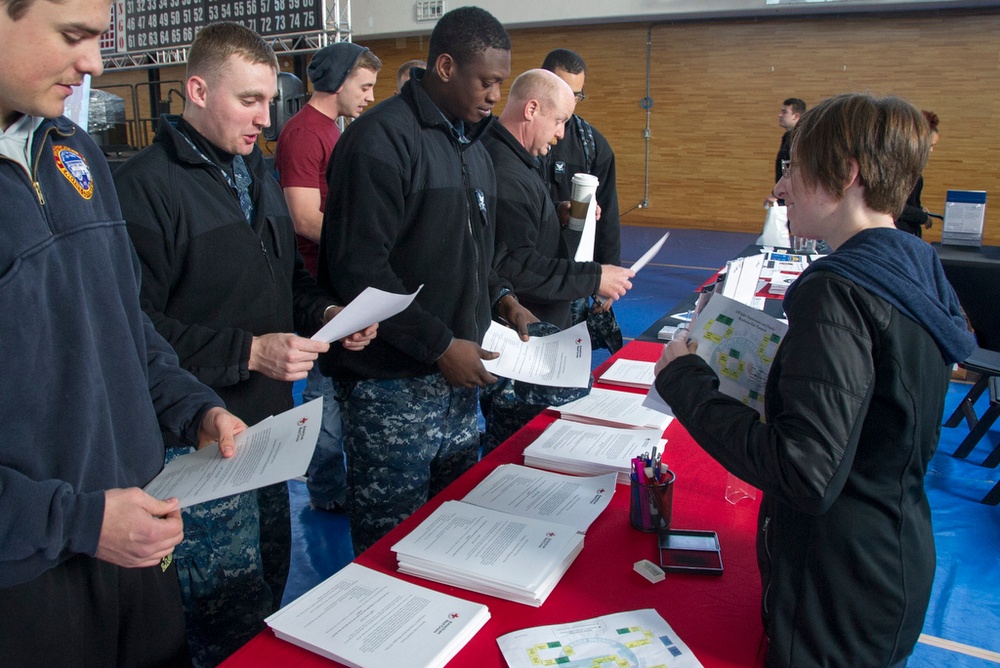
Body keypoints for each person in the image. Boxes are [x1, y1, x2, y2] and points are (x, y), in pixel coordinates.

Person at [654, 93, 976, 667]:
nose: (781, 189)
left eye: (794, 170)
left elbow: (803, 471)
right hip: (887, 559)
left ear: (847, 175)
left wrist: (686, 381)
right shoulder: (913, 264)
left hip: (837, 591)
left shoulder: (838, 292)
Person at [113, 21, 376, 666]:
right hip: (198, 442)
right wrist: (248, 352)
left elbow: (286, 284)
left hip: (267, 432)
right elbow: (133, 330)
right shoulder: (144, 188)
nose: (266, 117)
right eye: (249, 101)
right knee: (216, 618)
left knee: (267, 589)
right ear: (197, 90)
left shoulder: (254, 173)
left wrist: (329, 314)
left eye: (271, 101)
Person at [0, 1, 244, 665]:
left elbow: (122, 318)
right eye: (72, 36)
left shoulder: (72, 150)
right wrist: (76, 522)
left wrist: (189, 404)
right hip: (27, 585)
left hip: (136, 545)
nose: (94, 64)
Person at [318, 6, 536, 554]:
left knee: (450, 543)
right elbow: (360, 270)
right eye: (486, 82)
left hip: (459, 385)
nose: (494, 96)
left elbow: (469, 253)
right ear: (444, 67)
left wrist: (502, 300)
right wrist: (439, 345)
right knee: (389, 551)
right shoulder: (379, 141)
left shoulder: (473, 148)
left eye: (501, 84)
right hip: (391, 387)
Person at [274, 41, 382, 512]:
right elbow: (302, 217)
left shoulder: (334, 132)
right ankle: (326, 493)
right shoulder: (303, 134)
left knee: (337, 392)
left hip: (338, 281)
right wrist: (361, 252)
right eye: (365, 85)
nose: (370, 96)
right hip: (318, 286)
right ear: (338, 81)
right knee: (322, 401)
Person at [486, 68, 634, 331]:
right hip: (527, 326)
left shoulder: (519, 159)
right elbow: (516, 266)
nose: (562, 133)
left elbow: (519, 225)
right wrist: (594, 278)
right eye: (559, 120)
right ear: (531, 109)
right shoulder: (505, 170)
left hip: (540, 319)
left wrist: (556, 213)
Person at [540, 48, 626, 351]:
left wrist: (606, 278)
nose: (571, 102)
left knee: (568, 362)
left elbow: (609, 215)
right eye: (565, 92)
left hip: (574, 276)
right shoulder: (517, 139)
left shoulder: (592, 145)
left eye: (577, 95)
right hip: (527, 278)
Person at [895, 110, 940, 237]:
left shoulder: (911, 170)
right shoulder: (899, 170)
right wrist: (921, 216)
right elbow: (895, 205)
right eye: (930, 145)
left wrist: (919, 210)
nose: (931, 150)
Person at [763, 97, 806, 208]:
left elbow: (790, 171)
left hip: (791, 200)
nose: (780, 115)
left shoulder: (795, 140)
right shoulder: (790, 138)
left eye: (785, 112)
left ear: (796, 116)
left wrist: (776, 195)